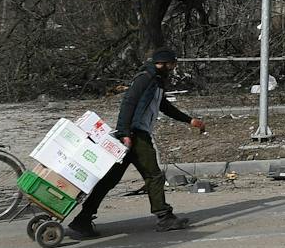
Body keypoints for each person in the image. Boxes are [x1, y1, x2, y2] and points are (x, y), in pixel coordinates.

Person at [67, 48, 206, 238]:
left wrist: (188, 120)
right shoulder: (145, 78)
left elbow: (162, 105)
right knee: (154, 175)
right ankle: (164, 217)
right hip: (135, 135)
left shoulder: (156, 80)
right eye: (172, 64)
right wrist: (124, 133)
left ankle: (81, 221)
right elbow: (128, 103)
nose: (173, 68)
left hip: (132, 135)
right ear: (164, 64)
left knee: (110, 180)